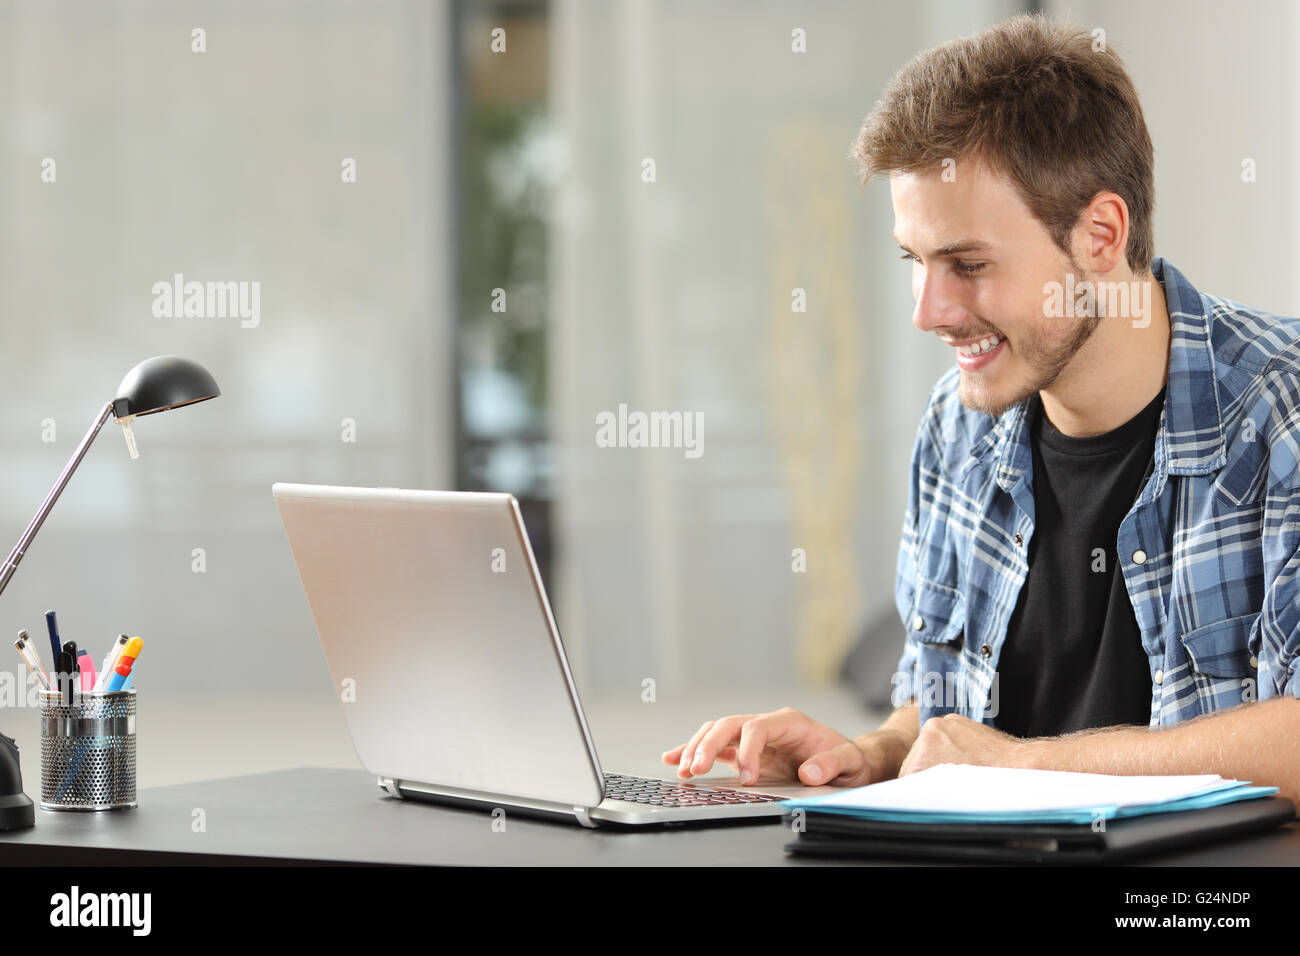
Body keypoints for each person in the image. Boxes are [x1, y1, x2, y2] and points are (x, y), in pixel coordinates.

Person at [661, 13, 1300, 803]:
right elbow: (943, 717)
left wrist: (1024, 767)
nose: (928, 311)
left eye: (967, 264)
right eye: (916, 262)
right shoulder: (957, 425)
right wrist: (869, 754)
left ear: (1101, 235)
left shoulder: (1280, 414)